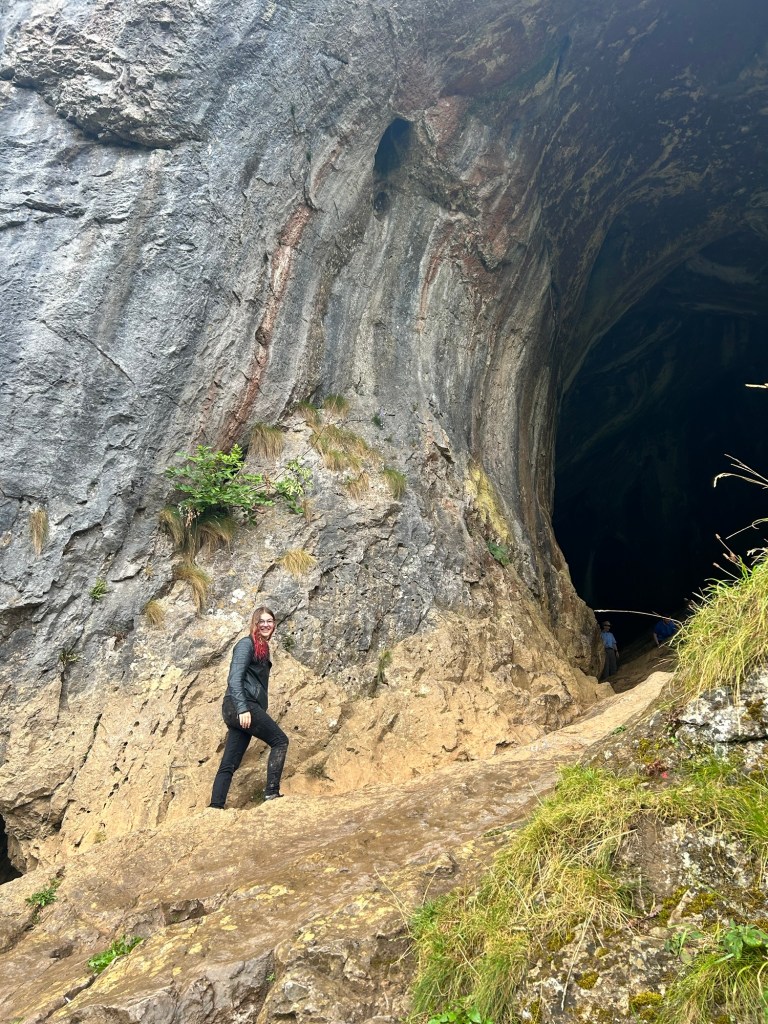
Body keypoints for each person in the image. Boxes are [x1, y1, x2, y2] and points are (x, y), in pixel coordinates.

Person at [209, 606, 289, 808]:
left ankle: (215, 806)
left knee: (230, 762)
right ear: (255, 623)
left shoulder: (262, 647)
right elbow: (234, 678)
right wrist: (243, 708)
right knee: (280, 741)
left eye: (269, 621)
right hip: (240, 704)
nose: (266, 625)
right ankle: (271, 793)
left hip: (240, 706)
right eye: (261, 621)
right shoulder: (246, 644)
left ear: (274, 624)